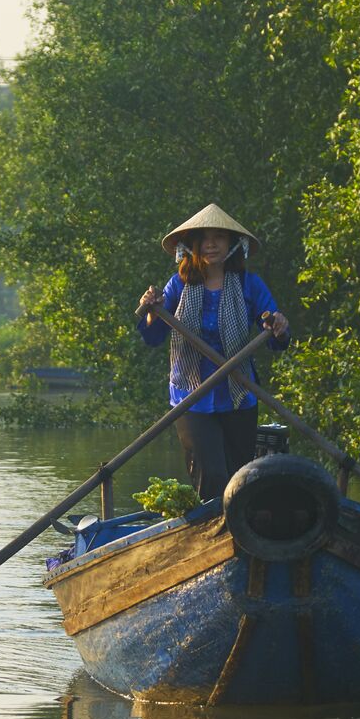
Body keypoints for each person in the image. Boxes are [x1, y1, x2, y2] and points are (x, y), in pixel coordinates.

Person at [136, 203, 291, 501]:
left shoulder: (248, 284)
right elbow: (154, 335)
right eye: (204, 238)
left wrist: (278, 325)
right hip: (191, 396)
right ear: (192, 246)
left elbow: (273, 332)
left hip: (238, 393)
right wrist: (153, 310)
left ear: (232, 244)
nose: (211, 244)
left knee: (240, 477)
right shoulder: (178, 285)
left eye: (219, 237)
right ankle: (211, 536)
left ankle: (237, 536)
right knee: (212, 476)